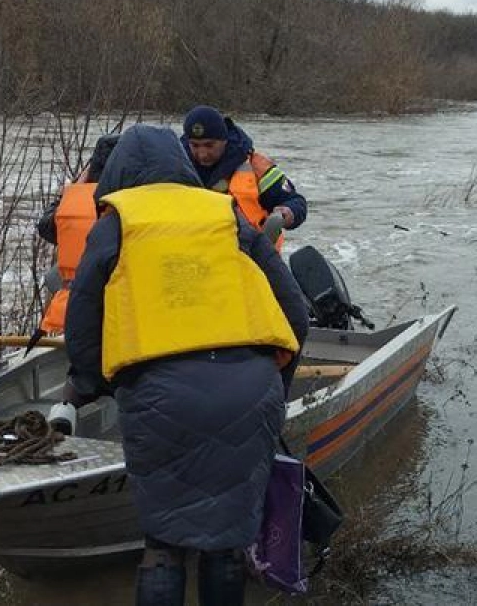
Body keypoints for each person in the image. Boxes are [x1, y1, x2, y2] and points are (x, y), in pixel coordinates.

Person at [64, 125, 309, 605]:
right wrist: (276, 380)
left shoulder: (118, 220)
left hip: (160, 397)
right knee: (225, 546)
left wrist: (98, 383)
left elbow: (84, 320)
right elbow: (294, 311)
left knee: (165, 545)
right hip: (251, 388)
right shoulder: (225, 213)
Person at [181, 105, 307, 250]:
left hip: (252, 258)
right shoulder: (175, 168)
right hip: (190, 256)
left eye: (209, 145)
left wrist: (288, 212)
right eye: (195, 146)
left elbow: (295, 201)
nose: (202, 153)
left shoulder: (256, 167)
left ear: (225, 140)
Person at [35, 133, 119, 333]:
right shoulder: (127, 200)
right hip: (111, 306)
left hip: (72, 307)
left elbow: (46, 227)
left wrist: (70, 191)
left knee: (54, 276)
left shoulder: (73, 202)